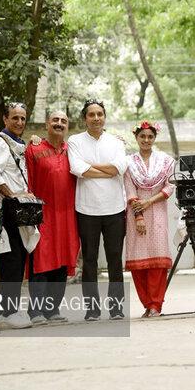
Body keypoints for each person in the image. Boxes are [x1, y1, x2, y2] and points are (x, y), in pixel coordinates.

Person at [68, 99, 128, 321]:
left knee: (114, 260)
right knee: (90, 260)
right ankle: (92, 310)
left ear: (105, 117)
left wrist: (90, 167)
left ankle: (116, 308)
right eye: (91, 114)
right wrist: (109, 171)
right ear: (85, 118)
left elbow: (119, 167)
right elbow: (76, 168)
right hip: (86, 209)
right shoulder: (75, 141)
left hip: (114, 208)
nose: (96, 118)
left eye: (99, 114)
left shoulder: (116, 142)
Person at [0, 102, 39, 329]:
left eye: (22, 118)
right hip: (6, 208)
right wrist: (12, 195)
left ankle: (2, 310)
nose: (19, 122)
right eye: (14, 118)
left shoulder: (18, 142)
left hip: (18, 208)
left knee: (17, 258)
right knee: (12, 260)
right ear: (5, 119)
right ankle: (10, 311)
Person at [25, 111, 79, 324]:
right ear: (47, 124)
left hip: (68, 217)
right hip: (42, 215)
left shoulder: (73, 150)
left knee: (62, 262)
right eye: (55, 120)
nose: (59, 124)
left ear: (68, 126)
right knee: (41, 261)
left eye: (63, 121)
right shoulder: (34, 149)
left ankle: (52, 309)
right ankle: (36, 311)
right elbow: (27, 180)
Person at [123, 120, 175, 318]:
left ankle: (156, 305)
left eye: (150, 136)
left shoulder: (165, 161)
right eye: (142, 136)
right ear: (136, 137)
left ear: (155, 138)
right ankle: (147, 304)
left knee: (158, 262)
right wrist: (139, 216)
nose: (146, 140)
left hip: (158, 211)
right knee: (139, 262)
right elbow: (129, 190)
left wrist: (149, 202)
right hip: (136, 213)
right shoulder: (128, 163)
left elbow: (170, 186)